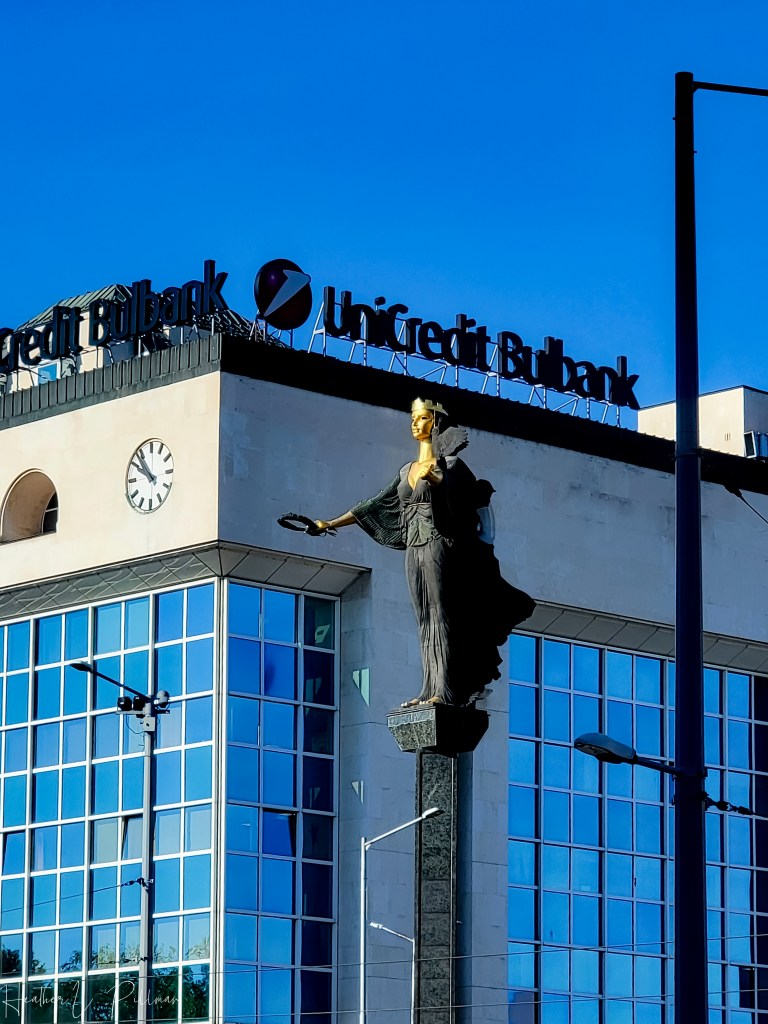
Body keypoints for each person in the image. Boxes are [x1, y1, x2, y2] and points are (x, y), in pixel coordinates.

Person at [313, 398, 535, 707]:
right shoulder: (408, 469)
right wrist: (329, 523)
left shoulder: (452, 466)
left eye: (422, 418)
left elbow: (463, 507)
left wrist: (440, 482)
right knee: (424, 619)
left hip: (439, 546)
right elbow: (374, 504)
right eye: (413, 418)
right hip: (414, 548)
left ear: (437, 423)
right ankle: (428, 689)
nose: (415, 424)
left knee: (442, 616)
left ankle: (447, 691)